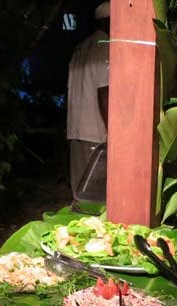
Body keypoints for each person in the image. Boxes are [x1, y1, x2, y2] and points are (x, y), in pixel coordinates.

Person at [67, 2, 110, 191]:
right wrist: (113, 132)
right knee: (95, 194)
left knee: (80, 191)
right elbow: (104, 93)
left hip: (75, 130)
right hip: (95, 132)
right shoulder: (105, 48)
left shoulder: (80, 47)